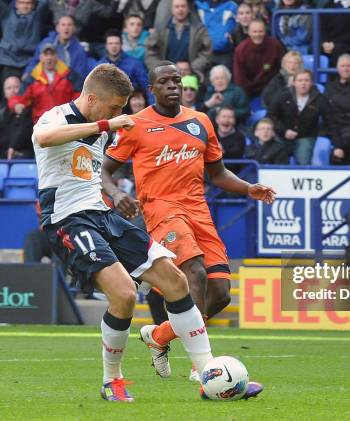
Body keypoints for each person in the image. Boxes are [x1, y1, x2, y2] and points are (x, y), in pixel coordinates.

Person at [33, 63, 218, 402]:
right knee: (124, 295)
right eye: (114, 107)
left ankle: (209, 374)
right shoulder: (56, 116)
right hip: (68, 219)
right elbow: (43, 138)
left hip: (102, 214)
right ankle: (111, 381)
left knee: (175, 281)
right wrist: (108, 122)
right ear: (92, 98)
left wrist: (116, 196)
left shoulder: (103, 126)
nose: (118, 113)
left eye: (120, 109)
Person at [102, 61, 274, 390]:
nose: (172, 86)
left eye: (176, 81)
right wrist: (116, 193)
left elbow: (218, 173)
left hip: (198, 209)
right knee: (192, 271)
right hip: (162, 209)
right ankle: (204, 368)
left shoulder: (200, 122)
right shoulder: (134, 125)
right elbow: (104, 170)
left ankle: (159, 335)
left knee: (220, 293)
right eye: (164, 82)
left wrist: (247, 187)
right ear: (151, 90)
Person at [267, 69, 329, 165]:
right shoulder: (283, 95)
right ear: (294, 83)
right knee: (276, 160)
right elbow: (271, 115)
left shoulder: (319, 98)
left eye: (306, 80)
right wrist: (284, 131)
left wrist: (320, 134)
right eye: (300, 80)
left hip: (306, 136)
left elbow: (329, 120)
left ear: (311, 83)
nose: (303, 83)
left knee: (303, 161)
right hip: (281, 135)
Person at [9, 43, 83, 124]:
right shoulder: (32, 78)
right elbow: (20, 98)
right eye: (46, 54)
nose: (49, 58)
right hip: (42, 123)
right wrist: (17, 104)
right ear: (40, 57)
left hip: (66, 121)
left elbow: (80, 95)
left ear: (56, 57)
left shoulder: (69, 74)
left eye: (52, 54)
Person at [144, 0, 213, 78]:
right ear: (172, 9)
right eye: (177, 6)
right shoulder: (161, 28)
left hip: (191, 76)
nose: (180, 9)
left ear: (188, 9)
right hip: (165, 76)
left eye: (183, 6)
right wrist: (161, 69)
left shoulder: (199, 29)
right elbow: (150, 52)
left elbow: (207, 52)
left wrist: (192, 68)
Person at [0, 0, 51, 80]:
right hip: (9, 61)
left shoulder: (38, 16)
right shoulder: (7, 14)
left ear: (33, 5)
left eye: (28, 3)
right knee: (10, 90)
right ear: (16, 4)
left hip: (30, 61)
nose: (25, 6)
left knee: (29, 91)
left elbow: (45, 2)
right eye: (21, 3)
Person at [24, 15, 93, 80]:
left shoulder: (80, 50)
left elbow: (80, 75)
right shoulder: (46, 43)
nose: (66, 28)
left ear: (74, 29)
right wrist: (27, 72)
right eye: (63, 25)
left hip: (67, 84)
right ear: (57, 28)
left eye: (69, 25)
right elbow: (35, 60)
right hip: (44, 81)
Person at [0, 76, 34, 159]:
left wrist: (14, 147)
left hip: (22, 151)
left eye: (16, 87)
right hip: (1, 152)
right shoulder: (0, 110)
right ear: (4, 92)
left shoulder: (29, 107)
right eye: (8, 88)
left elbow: (26, 133)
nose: (12, 90)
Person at [233, 19, 285, 99]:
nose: (258, 35)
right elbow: (239, 77)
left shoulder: (275, 45)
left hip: (271, 87)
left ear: (265, 32)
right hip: (249, 88)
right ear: (249, 33)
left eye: (260, 31)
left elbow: (282, 67)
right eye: (254, 32)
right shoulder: (241, 49)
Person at [215, 105, 245, 171]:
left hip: (233, 173)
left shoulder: (240, 137)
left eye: (230, 117)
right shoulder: (210, 134)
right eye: (224, 117)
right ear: (217, 120)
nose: (226, 120)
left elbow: (236, 154)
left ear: (234, 120)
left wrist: (222, 150)